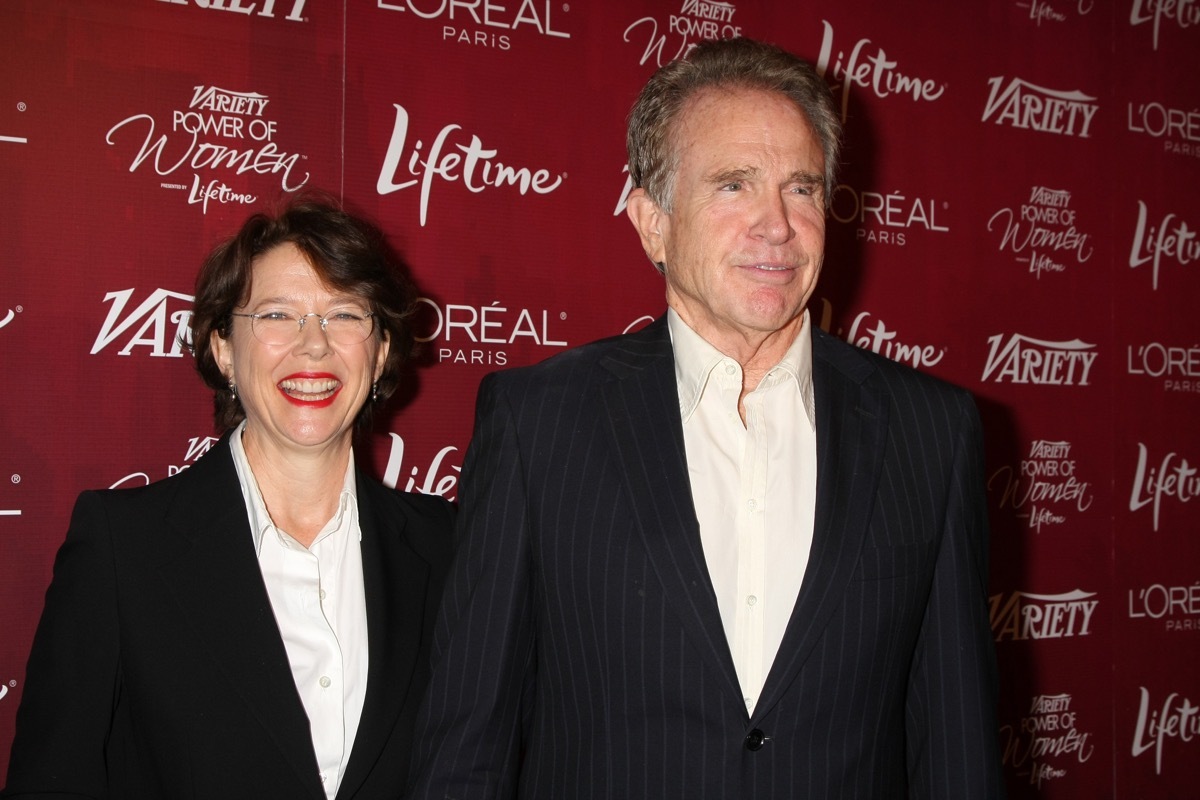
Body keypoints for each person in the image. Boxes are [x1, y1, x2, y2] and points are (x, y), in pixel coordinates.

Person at [408, 37, 1003, 799]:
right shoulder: (539, 423)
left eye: (801, 188)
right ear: (652, 222)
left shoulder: (930, 432)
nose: (777, 225)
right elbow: (469, 744)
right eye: (733, 185)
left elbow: (956, 744)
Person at [3, 194, 455, 799]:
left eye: (345, 314)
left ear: (380, 353)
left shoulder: (448, 545)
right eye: (276, 315)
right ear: (223, 350)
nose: (314, 344)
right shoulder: (123, 549)